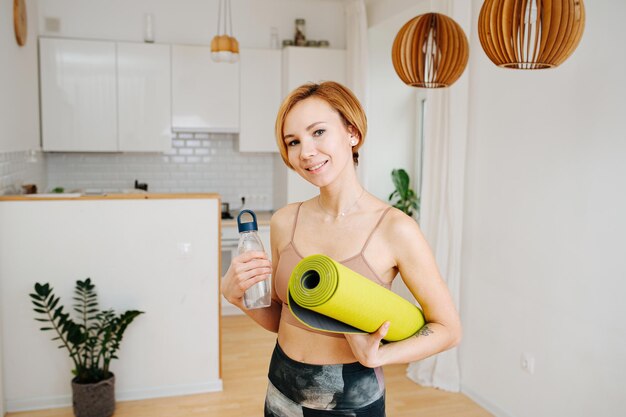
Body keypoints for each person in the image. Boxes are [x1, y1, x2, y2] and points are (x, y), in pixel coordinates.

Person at [221, 81, 461, 416]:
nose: (306, 151)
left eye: (318, 132)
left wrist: (379, 356)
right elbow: (283, 318)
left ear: (352, 133)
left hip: (351, 399)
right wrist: (238, 298)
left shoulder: (395, 228)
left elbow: (448, 329)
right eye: (294, 141)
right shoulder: (284, 221)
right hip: (281, 389)